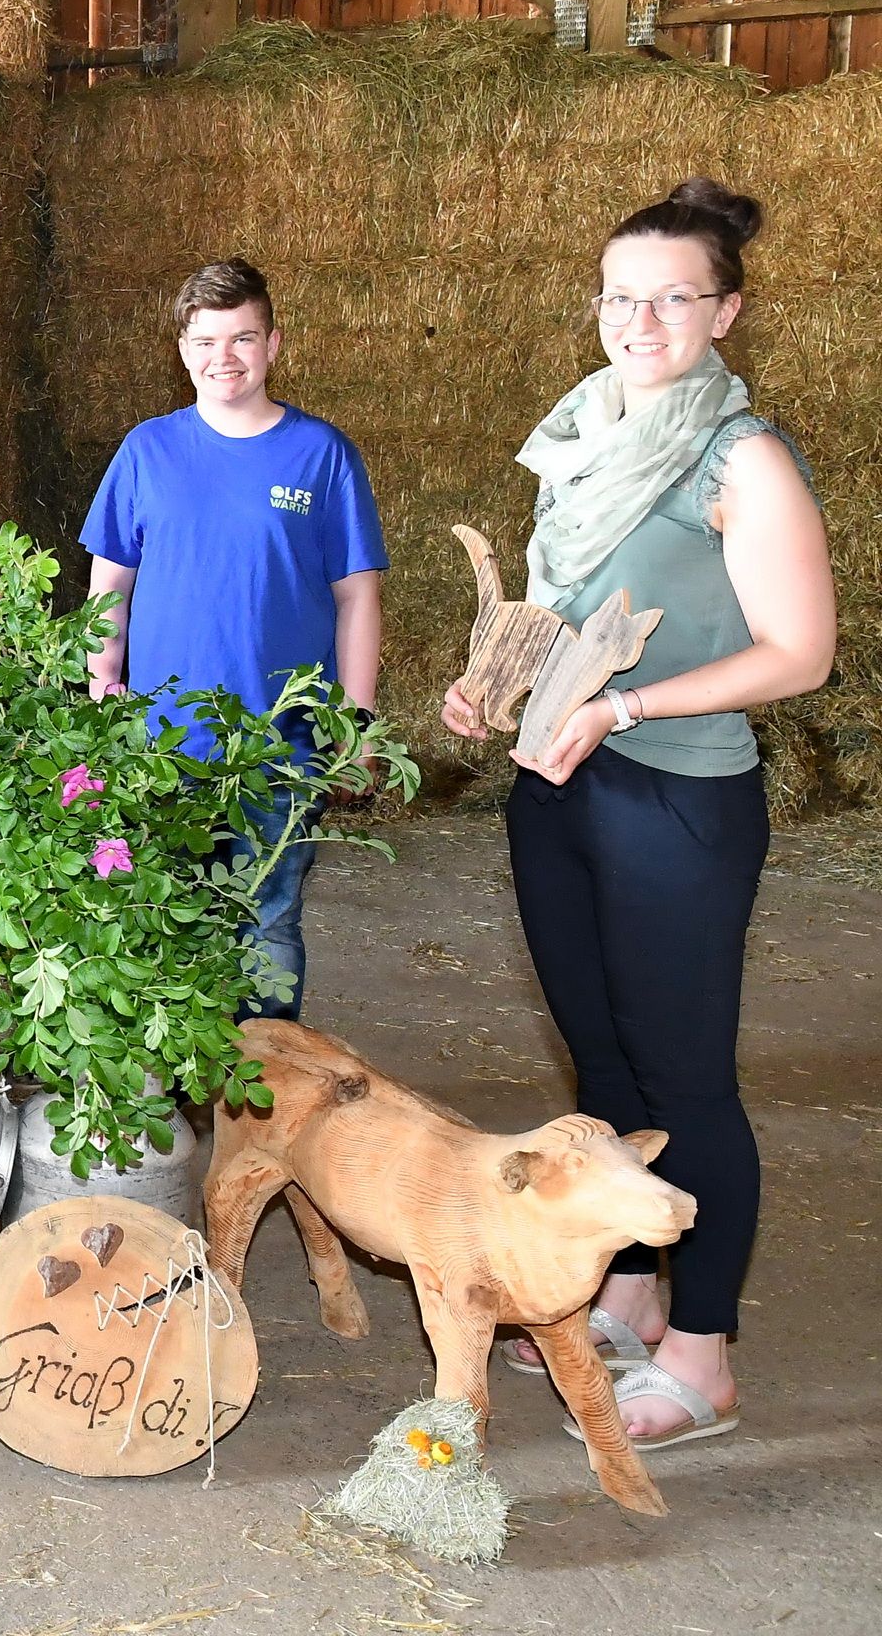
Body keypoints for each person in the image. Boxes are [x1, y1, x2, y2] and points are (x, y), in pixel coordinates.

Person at [446, 179, 831, 1451]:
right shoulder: (579, 432)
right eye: (623, 294)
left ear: (725, 311)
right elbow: (573, 606)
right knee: (603, 1066)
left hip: (678, 793)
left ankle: (704, 1349)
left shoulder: (743, 457)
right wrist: (492, 676)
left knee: (685, 1079)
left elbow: (800, 653)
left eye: (674, 297)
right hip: (559, 784)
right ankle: (624, 1283)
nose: (643, 319)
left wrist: (630, 708)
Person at [80, 258, 387, 1020]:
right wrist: (99, 693)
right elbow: (107, 588)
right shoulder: (147, 451)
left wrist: (353, 725)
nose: (226, 357)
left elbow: (358, 598)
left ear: (273, 344)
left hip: (281, 744)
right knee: (164, 918)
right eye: (207, 340)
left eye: (243, 338)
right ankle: (179, 1103)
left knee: (269, 920)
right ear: (182, 351)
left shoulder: (323, 455)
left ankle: (265, 1104)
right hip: (162, 742)